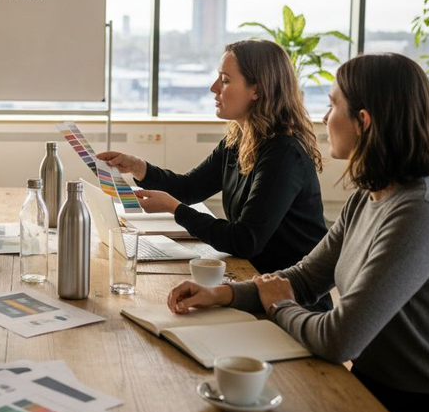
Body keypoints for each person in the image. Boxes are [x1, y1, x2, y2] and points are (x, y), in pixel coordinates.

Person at [166, 53, 429, 412]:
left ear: (364, 120)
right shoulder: (368, 196)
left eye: (333, 105)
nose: (323, 116)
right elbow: (304, 277)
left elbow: (340, 339)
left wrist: (278, 307)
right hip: (376, 392)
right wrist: (224, 294)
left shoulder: (419, 213)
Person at [98, 39, 330, 309]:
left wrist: (176, 209)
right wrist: (139, 167)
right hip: (254, 284)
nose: (213, 88)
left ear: (257, 89)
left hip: (292, 303)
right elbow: (188, 188)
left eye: (225, 80)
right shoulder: (238, 140)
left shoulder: (283, 153)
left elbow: (244, 241)